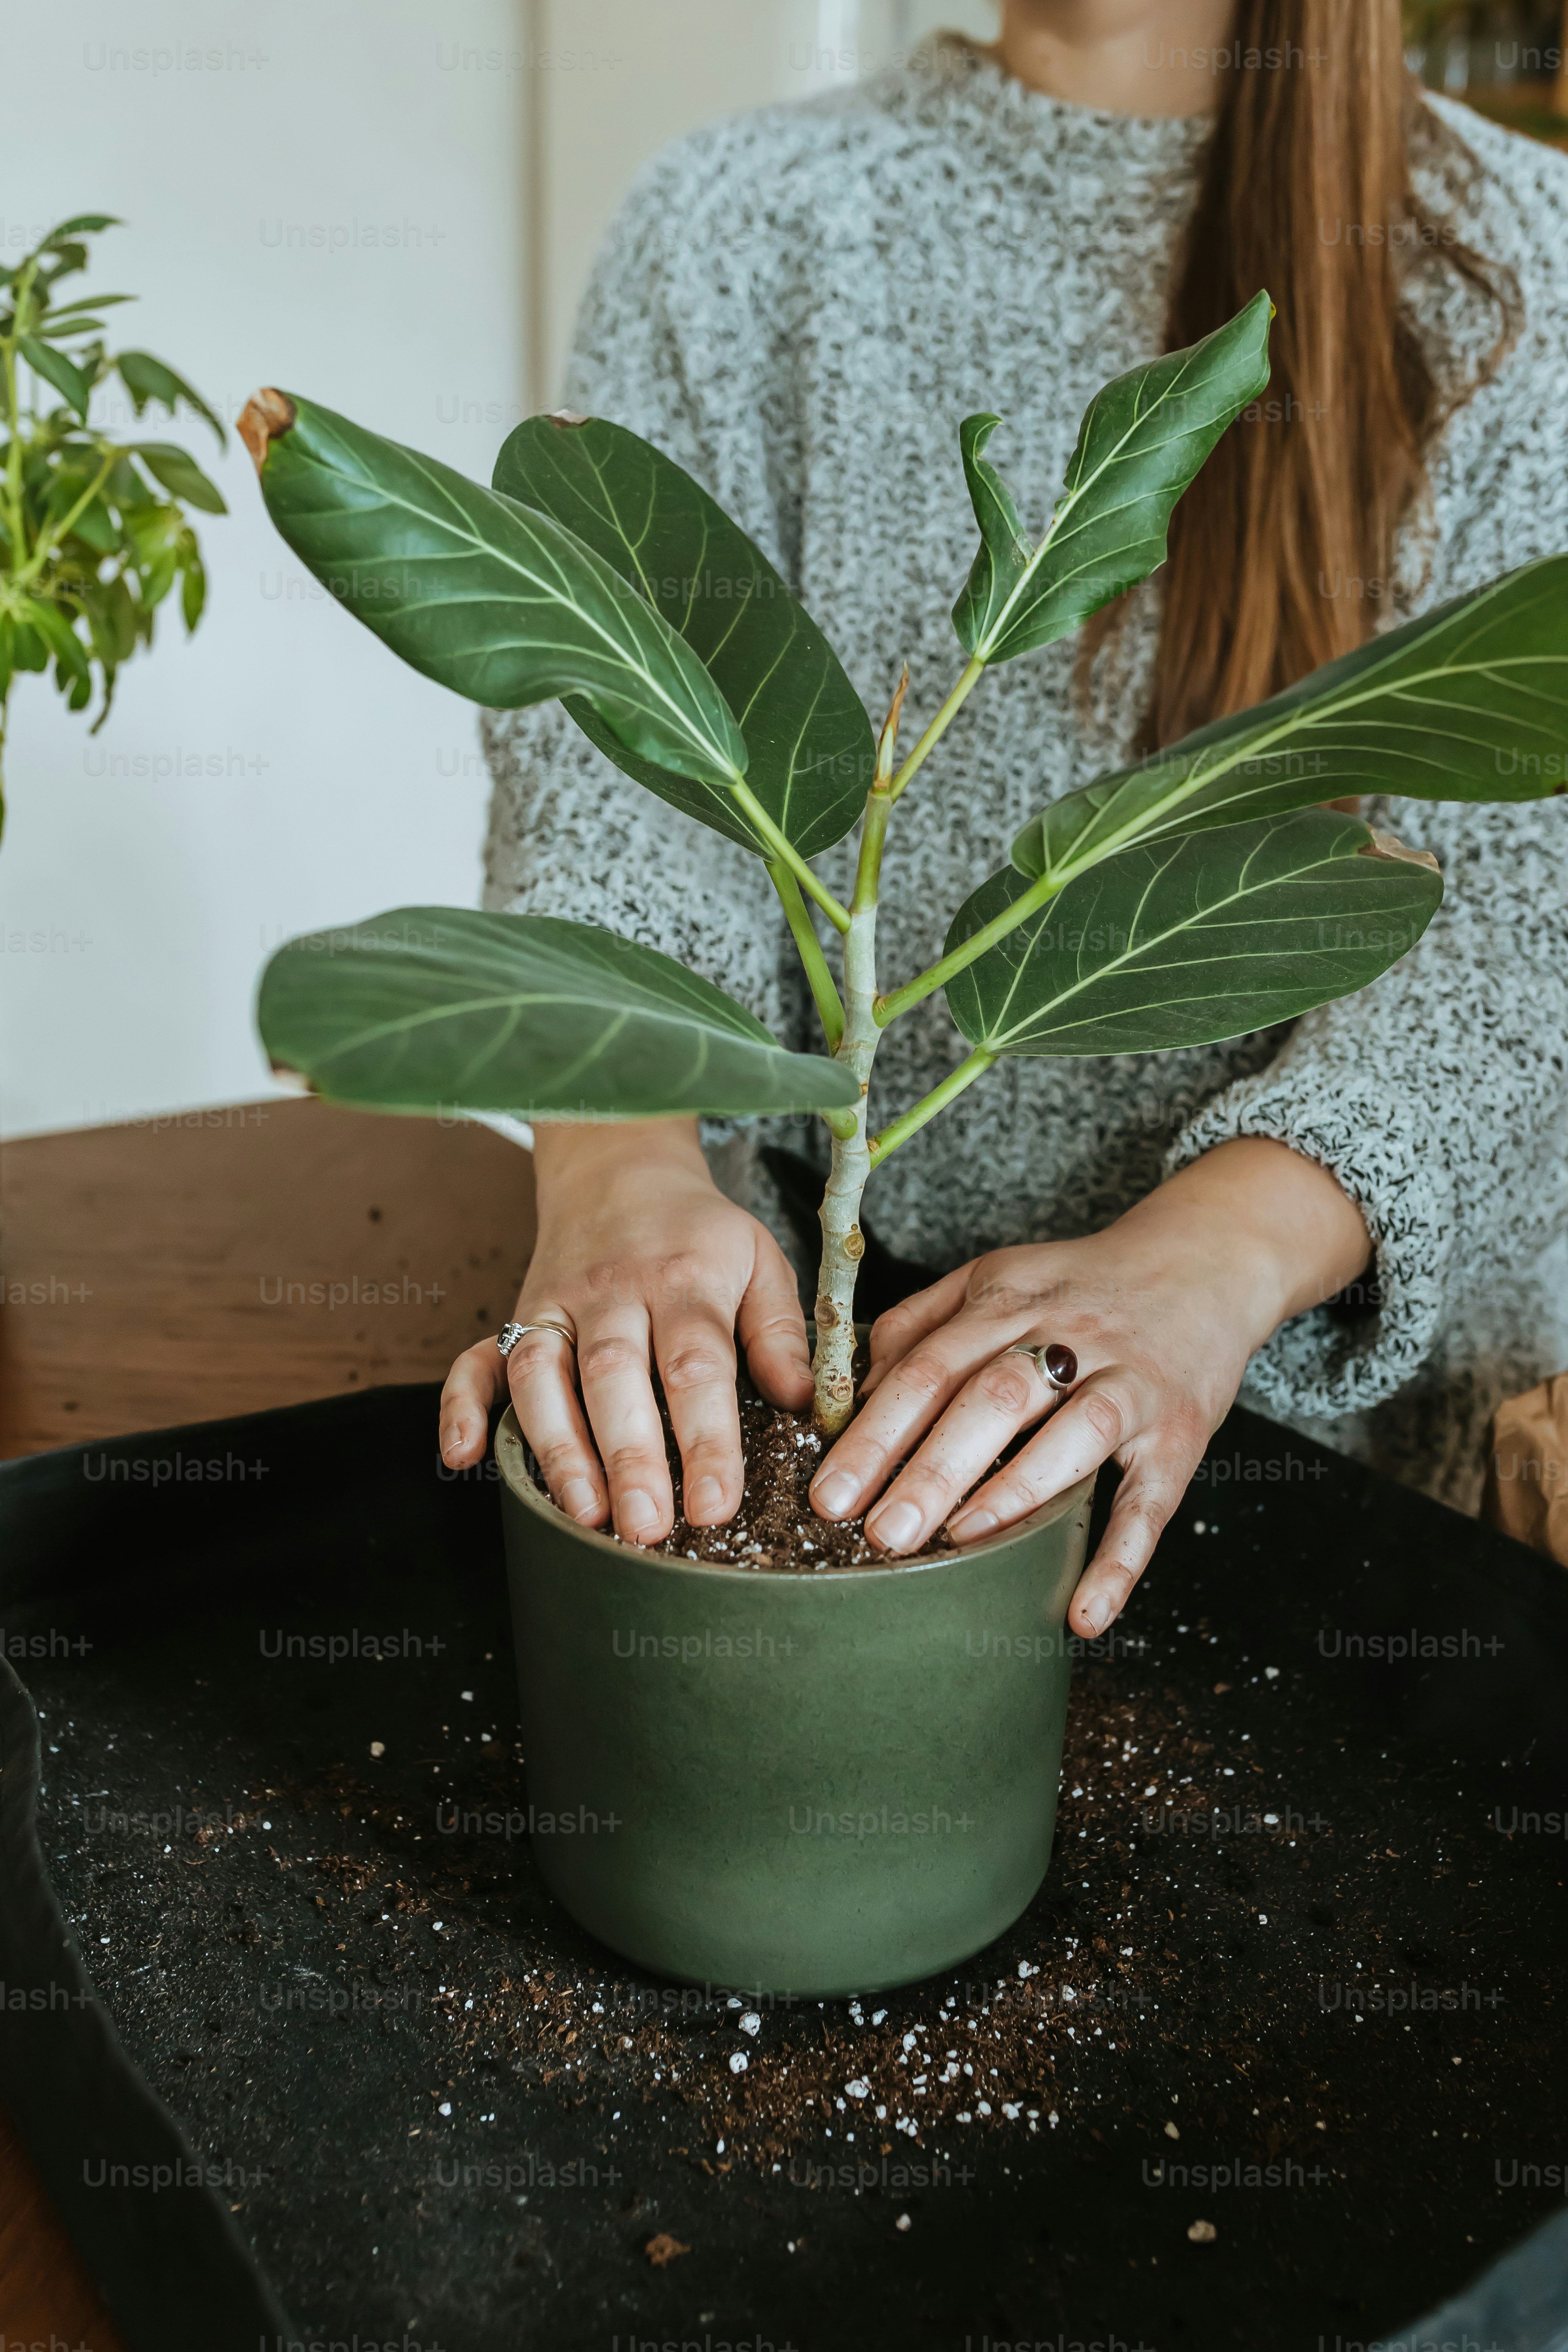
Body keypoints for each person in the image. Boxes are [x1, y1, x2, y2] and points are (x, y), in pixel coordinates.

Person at [439, 0, 1568, 1638]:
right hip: (806, 1394)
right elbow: (611, 751)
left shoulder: (1525, 267)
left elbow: (1524, 907)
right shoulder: (734, 222)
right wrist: (616, 1163)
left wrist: (1205, 1261)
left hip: (1353, 1492)